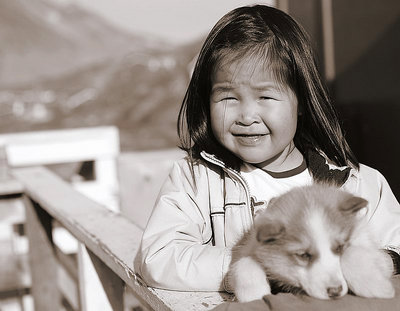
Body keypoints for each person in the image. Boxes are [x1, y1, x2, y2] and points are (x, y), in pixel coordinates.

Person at [134, 4, 400, 293]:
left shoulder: (357, 184)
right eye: (228, 98)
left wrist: (355, 262)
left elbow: (396, 245)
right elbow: (158, 258)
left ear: (301, 103)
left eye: (265, 96)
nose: (247, 116)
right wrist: (251, 264)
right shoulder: (196, 181)